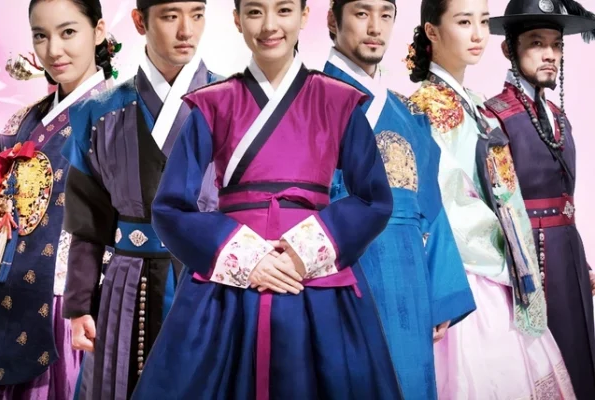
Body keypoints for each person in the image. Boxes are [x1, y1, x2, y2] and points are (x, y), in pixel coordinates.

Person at [130, 0, 403, 398]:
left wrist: (305, 250)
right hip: (232, 281)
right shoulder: (212, 103)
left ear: (304, 16)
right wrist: (246, 257)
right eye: (255, 12)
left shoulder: (339, 101)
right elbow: (170, 208)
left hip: (313, 276)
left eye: (284, 10)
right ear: (237, 20)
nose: (270, 25)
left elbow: (374, 198)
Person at [0, 0, 116, 398]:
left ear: (98, 31)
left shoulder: (121, 116)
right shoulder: (22, 121)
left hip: (64, 304)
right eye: (41, 36)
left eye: (68, 32)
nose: (54, 50)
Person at [406, 0, 576, 398]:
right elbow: (444, 202)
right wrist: (508, 250)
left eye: (483, 21)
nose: (478, 34)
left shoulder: (475, 103)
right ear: (432, 31)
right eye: (464, 22)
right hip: (469, 271)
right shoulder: (425, 106)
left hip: (501, 264)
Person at [60, 0, 221, 398]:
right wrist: (79, 305)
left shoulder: (234, 104)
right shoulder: (97, 112)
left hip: (212, 283)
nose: (186, 31)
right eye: (170, 16)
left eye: (197, 14)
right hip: (127, 288)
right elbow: (88, 221)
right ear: (139, 21)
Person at [324, 1, 475, 398]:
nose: (375, 27)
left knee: (409, 380)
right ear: (332, 20)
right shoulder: (309, 101)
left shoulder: (406, 111)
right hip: (340, 273)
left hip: (408, 278)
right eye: (361, 13)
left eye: (386, 15)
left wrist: (440, 292)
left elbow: (431, 205)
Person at [485, 1, 595, 397]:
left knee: (582, 355)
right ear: (509, 49)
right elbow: (493, 206)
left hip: (568, 252)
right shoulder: (494, 116)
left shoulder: (557, 116)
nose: (550, 54)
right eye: (536, 43)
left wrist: (581, 261)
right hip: (529, 258)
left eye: (556, 44)